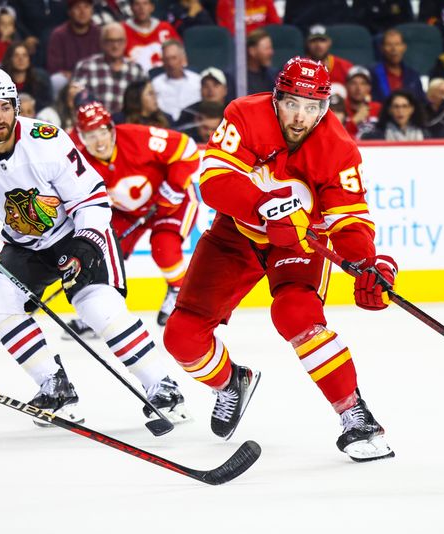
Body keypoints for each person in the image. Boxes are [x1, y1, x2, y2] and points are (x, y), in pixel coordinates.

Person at [0, 69, 188, 427]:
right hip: (24, 245)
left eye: (5, 107)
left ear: (16, 105)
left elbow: (91, 198)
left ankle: (162, 386)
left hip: (75, 233)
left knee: (95, 305)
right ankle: (54, 386)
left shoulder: (47, 140)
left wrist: (85, 242)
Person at [162, 57, 397, 462]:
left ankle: (356, 416)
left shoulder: (338, 149)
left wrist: (368, 264)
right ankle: (231, 384)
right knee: (180, 336)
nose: (300, 116)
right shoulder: (244, 114)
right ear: (276, 98)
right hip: (234, 234)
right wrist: (263, 207)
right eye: (292, 103)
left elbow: (351, 221)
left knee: (297, 315)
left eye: (312, 107)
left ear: (325, 107)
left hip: (298, 246)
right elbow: (214, 181)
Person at [70, 101, 200, 330]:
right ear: (81, 136)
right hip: (127, 211)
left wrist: (175, 186)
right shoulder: (77, 159)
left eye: (102, 132)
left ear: (111, 128)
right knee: (101, 254)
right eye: (90, 135)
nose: (98, 142)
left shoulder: (137, 137)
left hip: (170, 202)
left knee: (165, 248)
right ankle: (99, 311)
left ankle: (180, 294)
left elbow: (187, 148)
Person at [72, 22, 147, 113]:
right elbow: (75, 99)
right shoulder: (86, 67)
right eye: (111, 41)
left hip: (127, 124)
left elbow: (144, 105)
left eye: (119, 41)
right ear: (102, 43)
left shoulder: (136, 70)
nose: (115, 46)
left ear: (125, 42)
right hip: (95, 122)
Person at [46, 0, 102, 96]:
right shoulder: (59, 34)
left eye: (86, 7)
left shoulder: (99, 33)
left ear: (92, 10)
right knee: (57, 80)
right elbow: (54, 68)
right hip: (69, 80)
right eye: (77, 7)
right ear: (69, 11)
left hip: (95, 77)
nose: (82, 11)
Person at [369, 28, 426, 105]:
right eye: (389, 45)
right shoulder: (372, 74)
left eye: (397, 44)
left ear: (404, 47)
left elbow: (421, 102)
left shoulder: (413, 76)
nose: (394, 49)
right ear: (382, 48)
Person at [123, 0, 181, 74]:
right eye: (137, 4)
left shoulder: (165, 28)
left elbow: (180, 56)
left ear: (152, 7)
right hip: (137, 78)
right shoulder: (122, 30)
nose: (141, 8)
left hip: (167, 77)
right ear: (131, 8)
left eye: (145, 3)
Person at [149, 39, 199, 122]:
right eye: (166, 59)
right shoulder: (155, 84)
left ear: (183, 58)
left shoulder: (197, 80)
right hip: (165, 126)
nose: (170, 63)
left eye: (174, 58)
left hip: (192, 126)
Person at [361, 89, 431, 140]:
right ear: (389, 110)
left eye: (405, 106)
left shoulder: (425, 134)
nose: (400, 111)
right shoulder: (378, 134)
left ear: (411, 109)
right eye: (396, 106)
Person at [2, 42, 53, 111]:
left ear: (29, 59)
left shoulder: (39, 81)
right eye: (16, 56)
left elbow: (46, 106)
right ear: (10, 59)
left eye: (24, 55)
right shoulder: (2, 83)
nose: (21, 59)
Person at [343, 65, 381, 138]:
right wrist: (354, 122)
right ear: (346, 86)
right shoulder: (339, 108)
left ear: (369, 87)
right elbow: (337, 138)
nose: (358, 88)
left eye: (363, 83)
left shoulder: (378, 108)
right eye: (354, 83)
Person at [216, 0, 281, 36]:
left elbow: (276, 26)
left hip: (261, 41)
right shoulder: (225, 2)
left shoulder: (266, 1)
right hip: (237, 44)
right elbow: (226, 31)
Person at [246, 28, 276, 95]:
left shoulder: (273, 76)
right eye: (267, 48)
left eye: (270, 48)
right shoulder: (236, 77)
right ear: (252, 51)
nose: (271, 52)